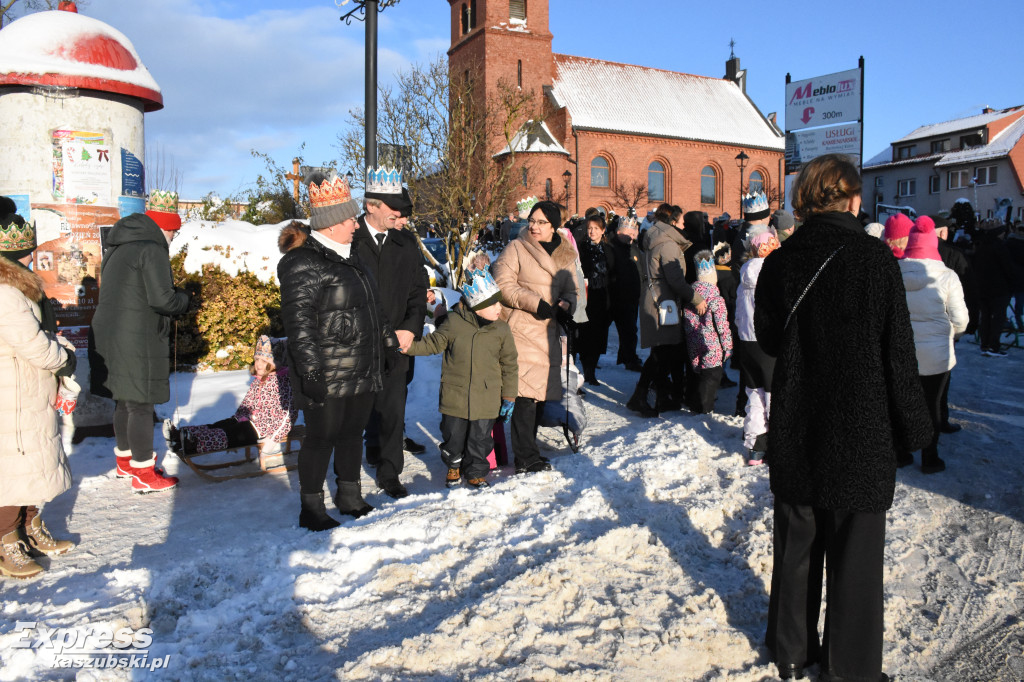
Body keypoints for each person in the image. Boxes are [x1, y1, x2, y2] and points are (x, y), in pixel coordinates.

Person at [755, 154, 932, 682]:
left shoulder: (780, 262)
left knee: (796, 544)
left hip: (798, 418)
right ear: (853, 198)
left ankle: (790, 651)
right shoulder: (875, 259)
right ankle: (850, 669)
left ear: (807, 198)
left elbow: (768, 339)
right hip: (860, 424)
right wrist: (916, 426)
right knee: (855, 556)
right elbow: (898, 354)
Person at [278, 176, 398, 531]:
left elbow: (374, 307)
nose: (356, 225)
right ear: (331, 224)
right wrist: (311, 372)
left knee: (352, 433)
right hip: (327, 370)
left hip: (361, 365)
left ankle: (349, 496)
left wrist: (388, 343)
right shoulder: (303, 262)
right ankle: (312, 508)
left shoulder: (354, 257)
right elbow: (299, 325)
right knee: (321, 438)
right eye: (349, 220)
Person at [89, 190, 191, 493]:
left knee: (124, 399)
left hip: (110, 334)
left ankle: (126, 462)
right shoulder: (152, 248)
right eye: (173, 231)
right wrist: (185, 299)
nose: (173, 237)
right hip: (137, 337)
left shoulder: (118, 246)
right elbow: (163, 300)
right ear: (166, 227)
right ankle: (144, 472)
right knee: (141, 404)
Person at [0, 211, 76, 579]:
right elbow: (34, 346)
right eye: (28, 252)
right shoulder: (5, 293)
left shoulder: (17, 288)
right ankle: (7, 541)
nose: (34, 257)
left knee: (31, 465)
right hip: (13, 395)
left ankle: (30, 527)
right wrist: (65, 357)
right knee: (13, 469)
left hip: (28, 391)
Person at [404, 269, 518, 489]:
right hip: (455, 395)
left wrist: (509, 396)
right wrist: (408, 346)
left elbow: (510, 365)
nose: (499, 308)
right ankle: (454, 465)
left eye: (499, 302)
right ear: (477, 306)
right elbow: (433, 344)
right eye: (493, 304)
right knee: (453, 436)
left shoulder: (502, 330)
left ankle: (476, 472)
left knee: (480, 439)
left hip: (486, 397)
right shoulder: (454, 323)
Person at [353, 171, 428, 498]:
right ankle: (356, 468)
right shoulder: (348, 238)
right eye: (395, 213)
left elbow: (418, 289)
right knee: (359, 410)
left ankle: (389, 472)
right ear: (371, 205)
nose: (402, 220)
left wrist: (411, 328)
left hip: (398, 342)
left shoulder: (405, 242)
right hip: (358, 344)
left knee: (393, 409)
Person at [492, 200, 577, 474]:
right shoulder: (516, 247)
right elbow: (502, 284)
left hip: (549, 332)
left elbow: (572, 290)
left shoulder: (566, 254)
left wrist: (566, 305)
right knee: (525, 396)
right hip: (522, 328)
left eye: (541, 222)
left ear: (554, 226)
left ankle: (529, 451)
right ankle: (525, 457)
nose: (534, 226)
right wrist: (536, 302)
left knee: (539, 395)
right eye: (532, 220)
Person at [896, 217, 968, 473]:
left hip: (902, 352)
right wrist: (950, 335)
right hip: (937, 355)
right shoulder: (947, 276)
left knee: (904, 402)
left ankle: (901, 452)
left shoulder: (894, 271)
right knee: (932, 404)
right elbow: (961, 320)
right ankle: (930, 458)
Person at [629, 205, 707, 416]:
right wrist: (697, 299)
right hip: (663, 303)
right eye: (681, 222)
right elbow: (676, 281)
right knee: (661, 352)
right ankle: (640, 396)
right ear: (673, 223)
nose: (684, 226)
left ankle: (661, 397)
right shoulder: (668, 244)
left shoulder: (656, 238)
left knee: (663, 352)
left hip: (657, 300)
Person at [163, 335, 295, 458]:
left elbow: (288, 416)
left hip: (263, 430)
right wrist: (238, 417)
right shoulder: (259, 380)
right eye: (257, 359)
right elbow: (248, 402)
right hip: (247, 420)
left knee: (227, 435)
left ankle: (192, 442)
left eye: (264, 361)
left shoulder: (283, 384)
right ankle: (179, 435)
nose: (259, 364)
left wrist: (272, 439)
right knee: (219, 426)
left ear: (277, 363)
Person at [736, 224, 781, 466]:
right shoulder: (771, 275)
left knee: (754, 393)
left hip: (747, 341)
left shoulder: (744, 275)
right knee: (775, 394)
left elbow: (738, 312)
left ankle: (756, 448)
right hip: (767, 341)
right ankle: (779, 445)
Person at [682, 251, 732, 413]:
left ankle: (693, 403)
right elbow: (722, 325)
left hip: (693, 341)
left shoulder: (691, 296)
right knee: (711, 377)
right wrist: (727, 346)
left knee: (697, 375)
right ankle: (704, 409)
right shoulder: (716, 299)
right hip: (712, 345)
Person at [577, 213, 613, 385]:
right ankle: (587, 370)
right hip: (586, 296)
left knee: (599, 335)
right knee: (585, 335)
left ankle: (592, 368)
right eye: (590, 228)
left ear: (603, 230)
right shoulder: (581, 248)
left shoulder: (608, 249)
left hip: (603, 297)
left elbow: (614, 272)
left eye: (596, 228)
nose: (592, 232)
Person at [607, 216, 644, 371]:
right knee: (601, 330)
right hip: (614, 296)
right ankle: (590, 362)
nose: (631, 237)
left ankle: (629, 358)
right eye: (628, 233)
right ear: (618, 232)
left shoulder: (633, 247)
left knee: (630, 331)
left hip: (631, 296)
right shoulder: (610, 247)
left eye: (633, 233)